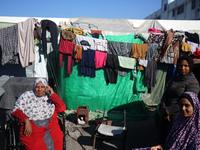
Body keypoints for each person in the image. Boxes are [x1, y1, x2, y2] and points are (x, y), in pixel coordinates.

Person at [12, 78, 66, 150]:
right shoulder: (26, 96)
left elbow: (61, 108)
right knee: (36, 145)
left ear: (46, 87)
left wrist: (52, 93)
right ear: (34, 87)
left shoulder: (49, 96)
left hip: (51, 126)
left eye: (42, 87)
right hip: (33, 127)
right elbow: (16, 110)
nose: (40, 89)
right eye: (37, 87)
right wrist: (26, 120)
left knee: (57, 140)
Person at [158, 55, 200, 144]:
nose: (182, 68)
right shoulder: (175, 78)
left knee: (174, 139)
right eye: (180, 66)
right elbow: (166, 93)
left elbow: (188, 103)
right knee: (163, 137)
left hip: (180, 113)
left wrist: (168, 111)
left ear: (190, 66)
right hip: (166, 111)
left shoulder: (193, 83)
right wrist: (163, 107)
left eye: (186, 66)